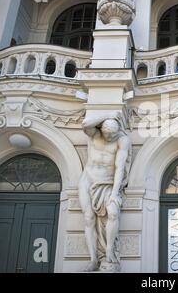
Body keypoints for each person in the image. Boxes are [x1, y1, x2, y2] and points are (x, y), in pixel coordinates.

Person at [79, 112, 132, 272]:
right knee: (88, 218)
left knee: (113, 213)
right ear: (101, 130)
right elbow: (86, 124)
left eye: (113, 134)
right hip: (87, 180)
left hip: (108, 182)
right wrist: (108, 115)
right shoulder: (94, 134)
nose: (110, 137)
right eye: (108, 134)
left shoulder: (122, 140)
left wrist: (115, 193)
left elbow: (120, 167)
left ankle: (109, 250)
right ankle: (94, 259)